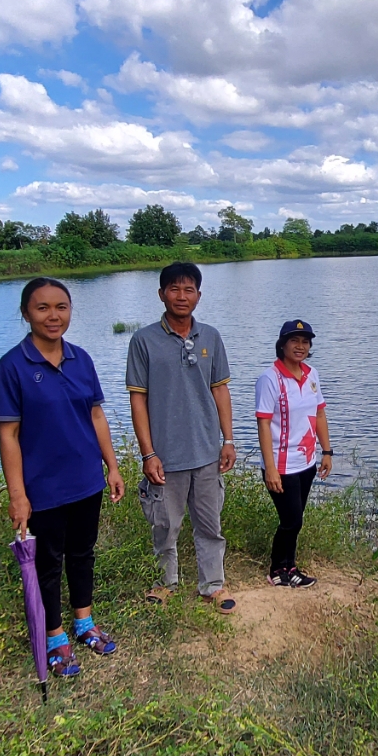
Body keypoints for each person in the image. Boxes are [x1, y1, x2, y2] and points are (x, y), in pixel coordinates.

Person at [0, 277, 127, 678]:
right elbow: (8, 434)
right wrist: (18, 495)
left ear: (70, 311)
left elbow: (96, 415)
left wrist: (113, 465)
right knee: (48, 563)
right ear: (25, 313)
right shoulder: (12, 367)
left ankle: (84, 623)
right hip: (43, 488)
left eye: (61, 307)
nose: (53, 316)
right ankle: (55, 636)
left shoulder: (81, 359)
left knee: (83, 552)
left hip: (86, 480)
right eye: (43, 308)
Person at [126, 262, 238, 614]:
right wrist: (148, 453)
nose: (181, 296)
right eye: (174, 289)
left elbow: (220, 392)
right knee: (165, 525)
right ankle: (166, 584)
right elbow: (138, 398)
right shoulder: (144, 340)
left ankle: (213, 585)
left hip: (206, 451)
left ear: (198, 296)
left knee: (210, 524)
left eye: (189, 289)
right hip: (166, 455)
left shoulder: (211, 336)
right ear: (161, 294)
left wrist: (228, 440)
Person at [253, 319, 332, 588]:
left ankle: (291, 567)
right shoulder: (270, 378)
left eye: (305, 342)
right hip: (281, 464)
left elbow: (319, 412)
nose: (300, 346)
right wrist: (270, 467)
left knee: (296, 521)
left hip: (307, 462)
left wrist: (327, 451)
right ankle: (277, 569)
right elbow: (263, 422)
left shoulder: (312, 374)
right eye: (294, 341)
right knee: (291, 520)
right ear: (282, 344)